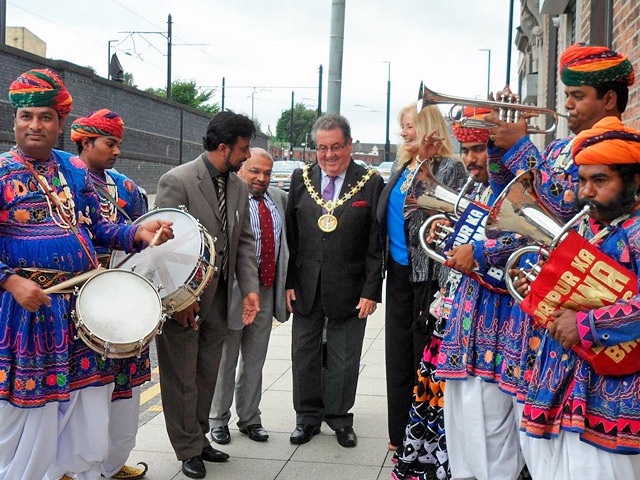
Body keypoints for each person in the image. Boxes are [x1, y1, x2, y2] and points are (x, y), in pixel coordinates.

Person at [0, 69, 172, 480]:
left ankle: (78, 472)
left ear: (60, 123)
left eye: (45, 117)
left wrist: (137, 233)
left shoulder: (72, 170)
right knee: (26, 413)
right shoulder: (2, 171)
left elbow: (97, 228)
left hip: (79, 309)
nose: (35, 125)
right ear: (15, 121)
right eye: (27, 117)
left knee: (86, 403)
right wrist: (10, 280)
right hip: (27, 312)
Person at [485, 43, 635, 469]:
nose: (566, 105)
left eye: (578, 96)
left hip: (600, 346)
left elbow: (560, 210)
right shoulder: (558, 148)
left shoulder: (618, 151)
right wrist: (501, 149)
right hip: (554, 339)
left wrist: (521, 146)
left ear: (608, 99)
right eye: (566, 96)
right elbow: (509, 199)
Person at [518, 117, 640, 479]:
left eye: (600, 180)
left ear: (634, 182)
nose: (587, 191)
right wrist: (539, 288)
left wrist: (587, 325)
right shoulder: (589, 228)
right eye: (583, 180)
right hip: (558, 393)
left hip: (616, 404)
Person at [154, 111, 260, 479]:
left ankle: (199, 440)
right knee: (181, 377)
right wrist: (180, 300)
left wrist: (250, 289)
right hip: (184, 302)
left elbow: (244, 242)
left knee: (205, 375)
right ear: (222, 147)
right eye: (243, 149)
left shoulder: (238, 187)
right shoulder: (177, 181)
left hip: (219, 299)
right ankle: (186, 450)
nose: (247, 156)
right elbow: (162, 248)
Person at [391, 107, 491, 480]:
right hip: (432, 283)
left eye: (479, 149)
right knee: (421, 373)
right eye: (468, 149)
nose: (471, 158)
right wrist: (444, 233)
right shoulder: (410, 165)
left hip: (453, 291)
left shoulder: (460, 171)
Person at [285, 113, 384, 448]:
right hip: (306, 285)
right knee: (304, 354)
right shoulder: (301, 179)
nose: (328, 155)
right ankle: (307, 417)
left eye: (336, 147)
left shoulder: (370, 182)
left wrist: (372, 290)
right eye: (322, 148)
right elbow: (291, 238)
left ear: (350, 145)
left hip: (351, 288)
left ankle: (340, 418)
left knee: (344, 357)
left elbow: (376, 242)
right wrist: (287, 283)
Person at [376, 103, 468, 451]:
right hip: (399, 273)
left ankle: (425, 433)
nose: (403, 133)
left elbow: (447, 215)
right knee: (397, 355)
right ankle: (399, 433)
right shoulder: (400, 167)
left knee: (422, 355)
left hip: (429, 276)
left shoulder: (451, 168)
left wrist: (428, 163)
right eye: (402, 127)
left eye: (410, 126)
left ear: (429, 127)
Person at [70, 109, 150, 480]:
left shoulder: (128, 188)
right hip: (82, 301)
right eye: (109, 143)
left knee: (126, 387)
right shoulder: (65, 181)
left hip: (124, 299)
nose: (117, 151)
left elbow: (142, 239)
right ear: (85, 142)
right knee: (86, 391)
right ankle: (73, 466)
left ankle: (112, 463)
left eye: (119, 143)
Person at [209, 147, 289, 444]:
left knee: (255, 358)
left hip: (266, 290)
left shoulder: (279, 199)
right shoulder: (228, 198)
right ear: (241, 169)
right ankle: (218, 419)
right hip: (234, 291)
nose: (261, 178)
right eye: (255, 170)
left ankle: (250, 418)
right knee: (226, 358)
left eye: (267, 172)